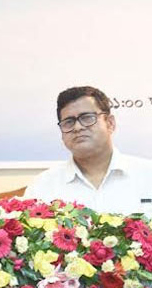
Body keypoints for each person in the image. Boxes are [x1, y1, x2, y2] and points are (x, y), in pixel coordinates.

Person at [25, 86, 152, 214]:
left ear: (110, 123)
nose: (77, 127)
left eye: (87, 117)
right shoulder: (43, 186)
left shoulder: (147, 175)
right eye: (69, 122)